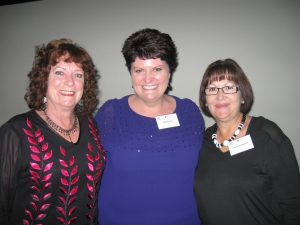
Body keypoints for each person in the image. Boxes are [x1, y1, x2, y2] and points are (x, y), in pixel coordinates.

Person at [94, 28, 204, 224]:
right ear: (130, 72)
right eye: (139, 70)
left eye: (157, 69)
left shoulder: (190, 112)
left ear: (169, 71)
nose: (147, 79)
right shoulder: (111, 113)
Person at [0, 38, 106, 225]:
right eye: (59, 72)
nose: (70, 82)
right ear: (43, 79)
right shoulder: (15, 132)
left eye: (78, 75)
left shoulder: (91, 124)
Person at [194, 58, 300, 225]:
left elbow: (293, 205)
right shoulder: (201, 141)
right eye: (212, 89)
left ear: (242, 94)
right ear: (205, 99)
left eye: (229, 87)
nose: (220, 96)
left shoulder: (267, 135)